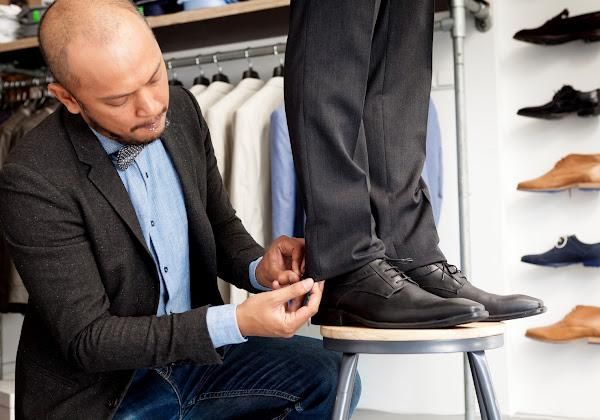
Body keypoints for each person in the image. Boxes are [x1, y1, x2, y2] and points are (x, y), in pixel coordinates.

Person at [0, 0, 361, 418]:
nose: (152, 107)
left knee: (331, 379)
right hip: (106, 390)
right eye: (119, 100)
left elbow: (218, 225)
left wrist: (259, 269)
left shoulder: (184, 108)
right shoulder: (32, 177)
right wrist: (236, 321)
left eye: (154, 76)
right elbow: (89, 340)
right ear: (68, 98)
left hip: (195, 359)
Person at [284, 0, 546, 328]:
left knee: (403, 49)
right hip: (341, 258)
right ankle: (346, 264)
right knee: (335, 31)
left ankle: (408, 252)